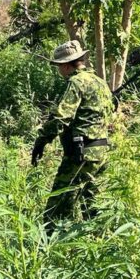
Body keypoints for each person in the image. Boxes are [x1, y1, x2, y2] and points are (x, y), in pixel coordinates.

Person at [32, 40, 114, 232]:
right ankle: (101, 244)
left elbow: (62, 118)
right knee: (94, 206)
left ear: (66, 65)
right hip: (101, 151)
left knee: (58, 209)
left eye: (59, 66)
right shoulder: (100, 82)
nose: (59, 71)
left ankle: (53, 250)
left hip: (80, 154)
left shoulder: (76, 82)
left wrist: (41, 140)